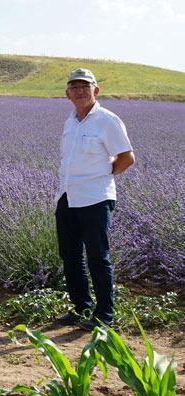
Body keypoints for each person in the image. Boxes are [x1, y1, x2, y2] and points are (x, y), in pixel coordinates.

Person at [54, 68, 135, 331]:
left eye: (85, 86)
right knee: (70, 256)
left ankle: (104, 315)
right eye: (74, 87)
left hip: (95, 198)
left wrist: (103, 174)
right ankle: (81, 307)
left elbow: (126, 157)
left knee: (98, 257)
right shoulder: (69, 121)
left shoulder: (107, 120)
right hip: (67, 197)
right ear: (67, 94)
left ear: (95, 90)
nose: (79, 91)